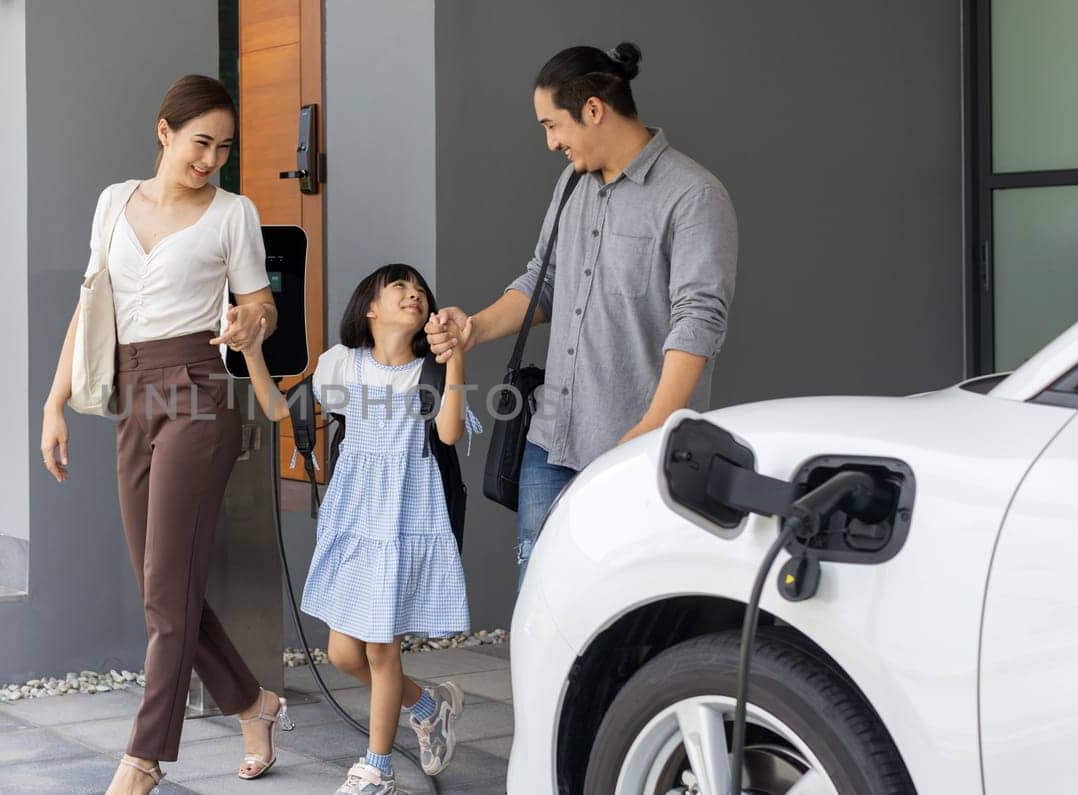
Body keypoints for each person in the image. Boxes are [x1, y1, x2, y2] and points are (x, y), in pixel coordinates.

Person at [37, 75, 290, 794]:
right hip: (131, 395)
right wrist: (53, 403)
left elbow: (262, 305)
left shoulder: (232, 214)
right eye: (200, 142)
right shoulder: (114, 203)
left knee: (165, 589)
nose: (211, 158)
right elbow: (90, 309)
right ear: (165, 132)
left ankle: (142, 759)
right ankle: (253, 701)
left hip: (198, 393)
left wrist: (250, 323)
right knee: (163, 589)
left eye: (224, 147)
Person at [426, 42, 737, 589]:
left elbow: (699, 320)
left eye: (552, 125)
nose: (550, 143)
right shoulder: (571, 185)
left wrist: (651, 427)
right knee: (542, 604)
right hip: (551, 443)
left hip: (636, 447)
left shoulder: (693, 196)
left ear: (593, 109)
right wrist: (473, 328)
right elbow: (542, 282)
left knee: (625, 609)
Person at [244, 264, 481, 794]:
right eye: (399, 287)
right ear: (369, 309)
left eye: (420, 290)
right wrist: (254, 352)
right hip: (355, 515)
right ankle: (426, 705)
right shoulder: (343, 364)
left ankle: (377, 767)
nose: (413, 294)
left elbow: (447, 432)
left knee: (381, 649)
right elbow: (280, 408)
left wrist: (456, 358)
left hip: (405, 514)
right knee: (345, 654)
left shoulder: (431, 370)